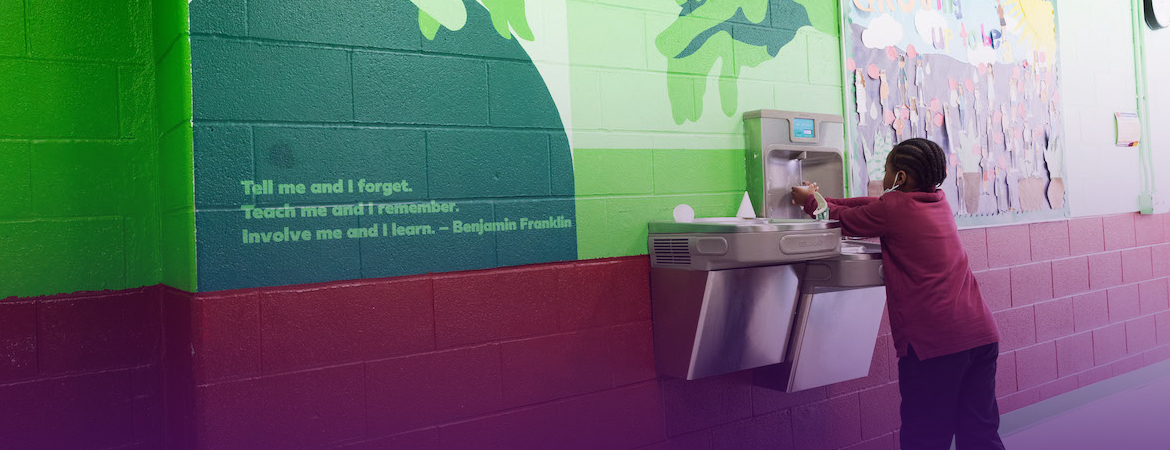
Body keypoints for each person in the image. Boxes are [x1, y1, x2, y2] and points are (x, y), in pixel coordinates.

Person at [792, 138, 1005, 450]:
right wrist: (820, 196)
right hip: (981, 337)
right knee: (980, 434)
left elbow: (842, 221)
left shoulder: (894, 208)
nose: (884, 179)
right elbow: (868, 205)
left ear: (900, 178)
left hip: (935, 346)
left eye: (886, 172)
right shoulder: (937, 201)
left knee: (926, 438)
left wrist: (810, 203)